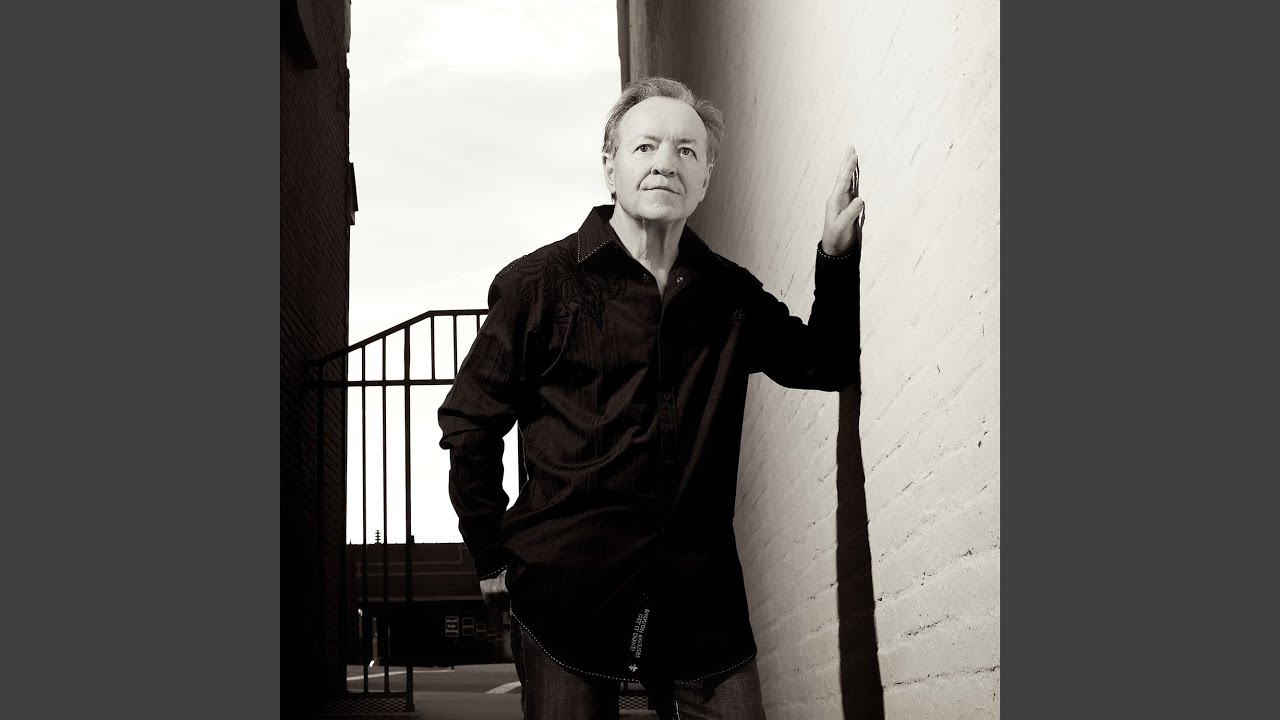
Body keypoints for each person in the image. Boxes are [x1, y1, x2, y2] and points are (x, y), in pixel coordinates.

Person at [438, 76, 865, 719]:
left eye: (686, 150)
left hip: (701, 605)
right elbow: (470, 422)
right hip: (564, 598)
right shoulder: (537, 287)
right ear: (610, 167)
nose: (666, 162)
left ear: (706, 177)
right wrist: (489, 550)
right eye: (645, 147)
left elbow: (825, 363)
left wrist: (834, 255)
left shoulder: (729, 295)